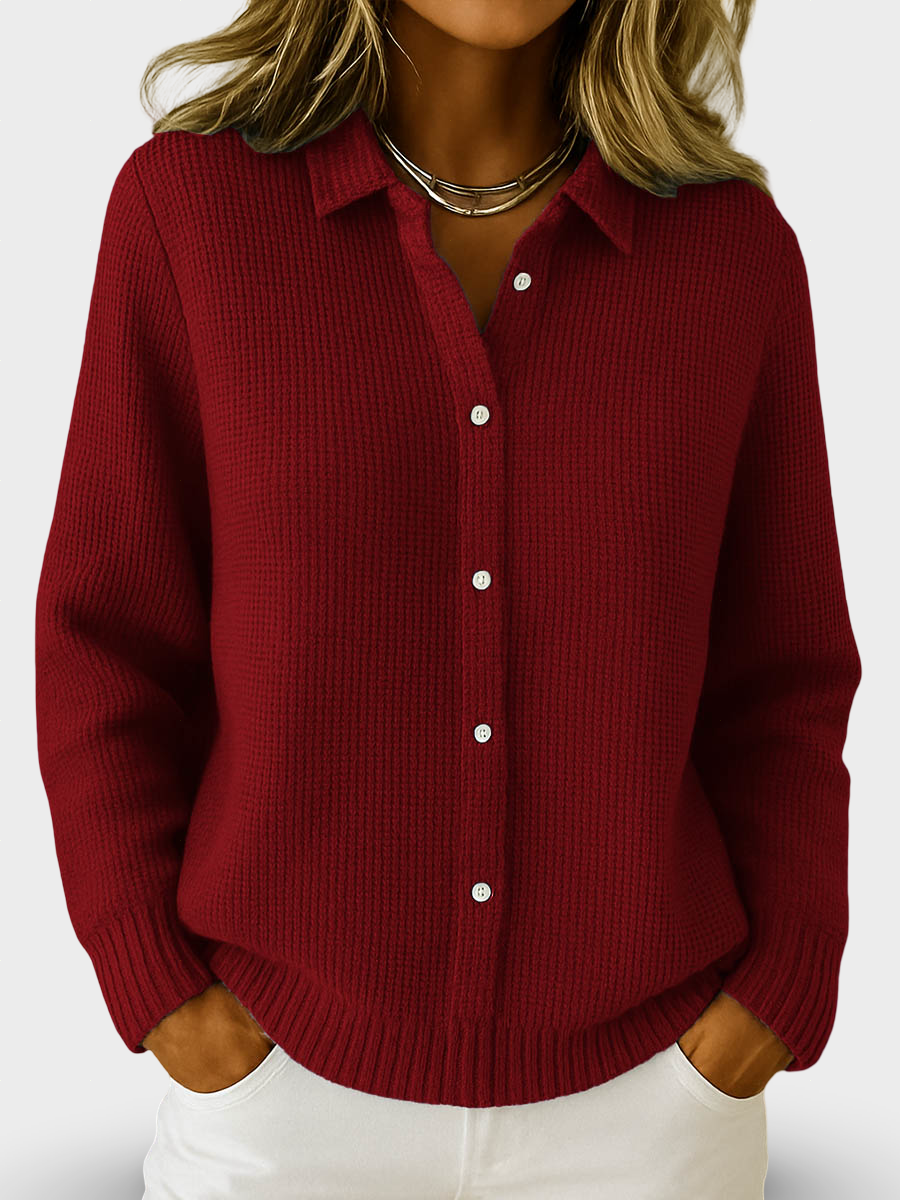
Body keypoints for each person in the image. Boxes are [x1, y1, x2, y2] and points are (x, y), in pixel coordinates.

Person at [34, 2, 862, 1197]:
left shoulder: (732, 255)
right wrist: (163, 993)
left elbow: (782, 678)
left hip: (655, 1113)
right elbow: (106, 638)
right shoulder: (192, 214)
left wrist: (772, 1000)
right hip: (277, 1107)